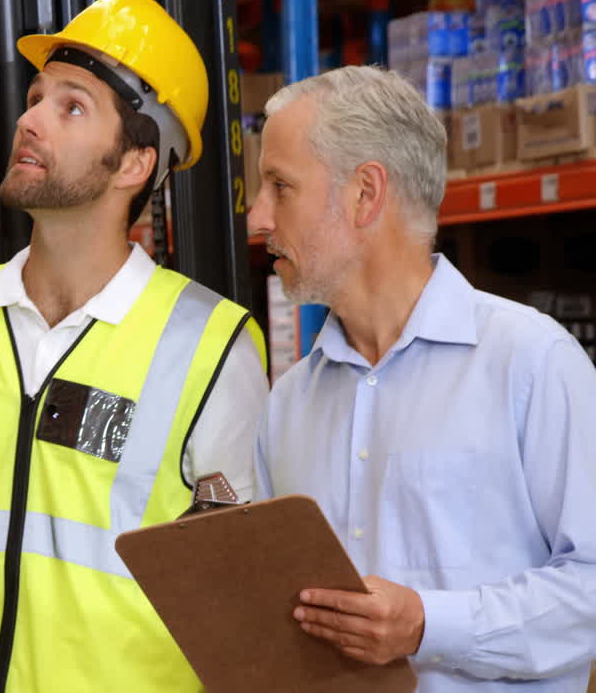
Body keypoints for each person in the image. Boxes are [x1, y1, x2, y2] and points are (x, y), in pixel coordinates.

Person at [0, 0, 270, 693]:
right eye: (35, 97)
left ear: (133, 164)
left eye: (71, 108)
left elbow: (237, 592)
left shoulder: (211, 347)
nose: (29, 119)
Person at [249, 65, 596, 691]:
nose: (256, 218)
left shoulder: (532, 364)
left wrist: (429, 625)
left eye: (280, 187)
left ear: (365, 194)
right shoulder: (291, 404)